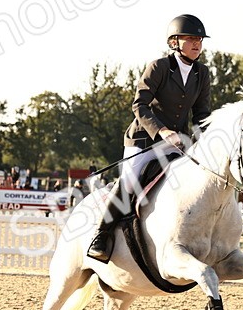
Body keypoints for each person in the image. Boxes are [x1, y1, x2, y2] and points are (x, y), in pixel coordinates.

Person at [87, 13, 213, 261]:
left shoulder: (202, 73)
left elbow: (201, 114)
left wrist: (205, 140)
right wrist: (162, 131)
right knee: (129, 182)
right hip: (144, 139)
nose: (197, 43)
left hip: (178, 143)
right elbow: (139, 105)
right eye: (190, 38)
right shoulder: (159, 67)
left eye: (199, 39)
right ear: (174, 42)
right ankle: (101, 236)